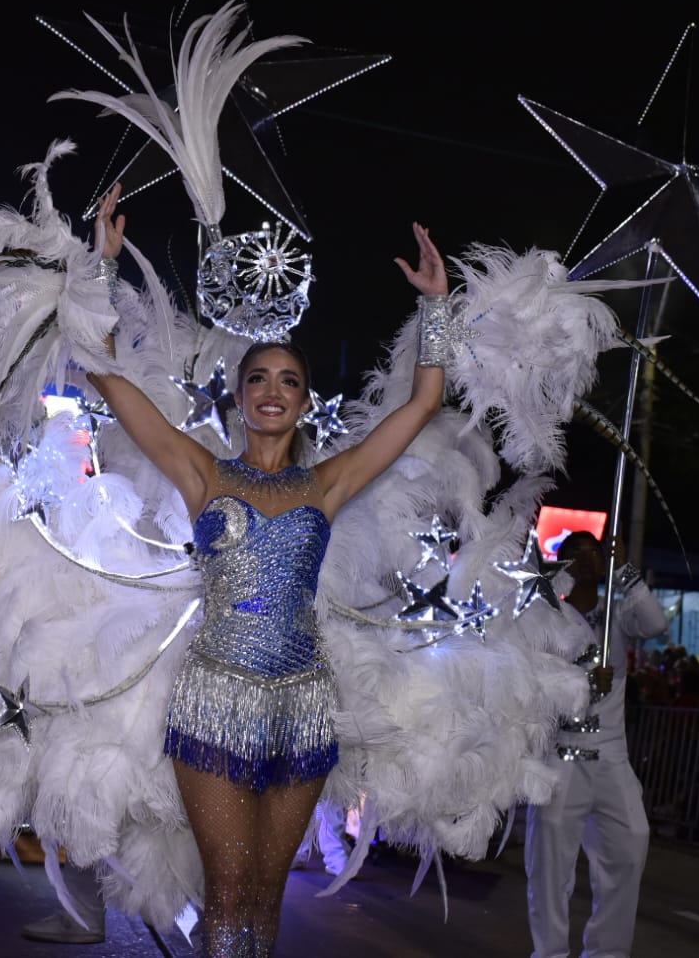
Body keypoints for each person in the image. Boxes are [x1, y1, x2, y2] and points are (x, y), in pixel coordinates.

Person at [82, 182, 448, 957]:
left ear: (304, 400)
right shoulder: (201, 474)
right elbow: (108, 378)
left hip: (305, 704)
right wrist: (100, 272)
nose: (272, 391)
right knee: (227, 889)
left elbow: (421, 403)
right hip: (213, 696)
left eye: (288, 380)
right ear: (239, 399)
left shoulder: (328, 482)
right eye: (258, 380)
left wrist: (434, 309)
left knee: (265, 896)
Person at [524, 529, 669, 958]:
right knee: (551, 867)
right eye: (575, 552)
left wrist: (625, 569)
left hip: (611, 757)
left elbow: (657, 625)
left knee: (631, 845)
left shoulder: (619, 617)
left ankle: (607, 952)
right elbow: (532, 690)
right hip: (561, 757)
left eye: (593, 550)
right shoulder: (544, 621)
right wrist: (583, 682)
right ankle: (549, 953)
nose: (586, 558)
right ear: (561, 565)